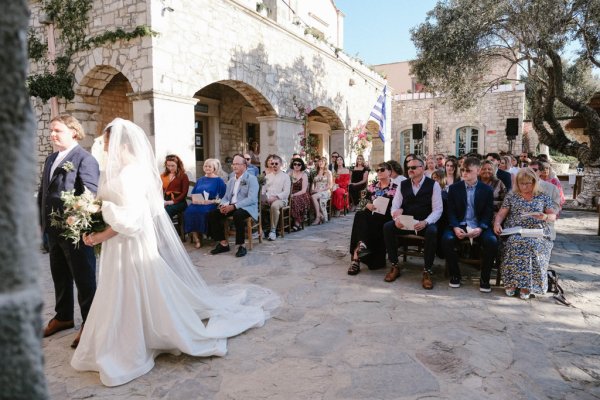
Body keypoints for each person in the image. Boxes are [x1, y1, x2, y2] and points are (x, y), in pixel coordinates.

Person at [72, 119, 277, 386]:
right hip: (119, 241)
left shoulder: (131, 173)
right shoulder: (126, 171)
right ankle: (128, 332)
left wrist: (99, 232)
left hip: (128, 242)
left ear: (122, 144)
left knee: (132, 286)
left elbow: (131, 220)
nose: (106, 150)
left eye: (108, 144)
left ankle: (132, 340)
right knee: (125, 288)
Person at [38, 114, 100, 349]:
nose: (52, 134)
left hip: (76, 232)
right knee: (59, 276)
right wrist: (41, 222)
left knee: (84, 280)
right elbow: (44, 192)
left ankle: (89, 323)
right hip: (52, 230)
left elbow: (90, 194)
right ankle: (63, 317)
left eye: (57, 130)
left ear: (73, 131)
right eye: (51, 130)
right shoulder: (51, 158)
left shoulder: (85, 159)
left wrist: (77, 219)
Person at [493, 168, 557, 299]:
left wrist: (544, 216)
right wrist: (497, 223)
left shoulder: (542, 196)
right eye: (521, 183)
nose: (524, 186)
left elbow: (553, 216)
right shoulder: (512, 195)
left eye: (527, 183)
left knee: (532, 245)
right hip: (515, 230)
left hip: (537, 232)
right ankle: (511, 283)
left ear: (534, 182)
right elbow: (501, 213)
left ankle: (527, 285)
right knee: (514, 242)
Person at [382, 157, 443, 289]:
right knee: (388, 227)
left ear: (422, 168)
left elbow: (438, 210)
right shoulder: (403, 185)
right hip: (406, 222)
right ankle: (394, 265)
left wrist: (425, 222)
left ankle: (427, 270)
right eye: (409, 168)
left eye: (413, 167)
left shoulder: (433, 185)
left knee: (433, 231)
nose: (410, 170)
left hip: (424, 222)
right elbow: (395, 206)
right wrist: (396, 219)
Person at [442, 157, 498, 292]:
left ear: (478, 171)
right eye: (462, 170)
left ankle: (485, 278)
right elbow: (450, 212)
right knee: (446, 239)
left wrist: (480, 227)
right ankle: (455, 275)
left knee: (492, 241)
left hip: (479, 225)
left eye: (468, 171)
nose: (464, 173)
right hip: (459, 224)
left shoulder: (486, 190)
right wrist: (455, 227)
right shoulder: (454, 188)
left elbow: (488, 213)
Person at [347, 162, 397, 275]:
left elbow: (398, 205)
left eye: (382, 170)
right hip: (371, 215)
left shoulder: (396, 188)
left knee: (361, 218)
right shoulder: (372, 186)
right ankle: (358, 253)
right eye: (377, 170)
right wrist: (367, 204)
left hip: (385, 217)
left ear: (390, 172)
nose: (379, 172)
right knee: (360, 214)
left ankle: (357, 254)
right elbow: (363, 201)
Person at [208, 154, 259, 257]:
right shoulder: (231, 180)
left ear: (244, 166)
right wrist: (222, 206)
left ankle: (241, 246)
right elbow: (226, 197)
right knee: (212, 214)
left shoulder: (251, 179)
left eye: (237, 164)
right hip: (231, 205)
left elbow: (252, 199)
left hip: (246, 207)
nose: (234, 166)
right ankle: (223, 243)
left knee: (238, 215)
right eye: (233, 164)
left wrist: (234, 206)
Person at [183, 159, 227, 248]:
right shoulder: (200, 180)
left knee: (204, 213)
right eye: (206, 166)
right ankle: (197, 239)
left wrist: (211, 201)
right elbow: (194, 193)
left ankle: (207, 235)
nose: (207, 168)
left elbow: (223, 197)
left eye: (209, 166)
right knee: (188, 212)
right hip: (198, 202)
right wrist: (195, 199)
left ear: (214, 168)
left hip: (211, 203)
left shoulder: (219, 181)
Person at [261, 155, 291, 241]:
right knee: (257, 205)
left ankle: (273, 231)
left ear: (281, 164)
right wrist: (264, 198)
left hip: (281, 200)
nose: (274, 165)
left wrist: (275, 197)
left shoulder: (285, 177)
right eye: (272, 163)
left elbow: (286, 193)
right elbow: (263, 190)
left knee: (274, 206)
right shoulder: (267, 177)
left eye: (276, 163)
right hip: (268, 199)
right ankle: (262, 230)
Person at [288, 157, 312, 231]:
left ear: (302, 166)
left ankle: (297, 222)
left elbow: (304, 190)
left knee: (295, 200)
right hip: (290, 192)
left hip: (302, 194)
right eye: (295, 164)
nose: (296, 166)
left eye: (299, 164)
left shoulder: (304, 175)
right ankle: (287, 222)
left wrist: (294, 195)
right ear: (293, 165)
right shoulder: (289, 174)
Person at [310, 156, 333, 224]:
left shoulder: (328, 172)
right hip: (317, 191)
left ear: (325, 163)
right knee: (311, 196)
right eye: (319, 161)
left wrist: (320, 190)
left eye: (322, 161)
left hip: (326, 191)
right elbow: (313, 183)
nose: (320, 163)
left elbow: (330, 185)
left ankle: (318, 217)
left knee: (313, 197)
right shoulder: (315, 172)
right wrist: (312, 190)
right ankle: (321, 215)